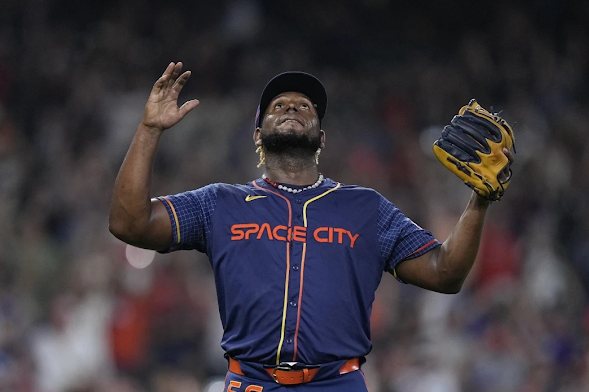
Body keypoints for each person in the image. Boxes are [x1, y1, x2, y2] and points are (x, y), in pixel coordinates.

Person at [109, 62, 514, 391]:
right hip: (250, 381)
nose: (291, 107)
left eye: (304, 106)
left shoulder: (365, 207)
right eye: (279, 104)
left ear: (321, 138)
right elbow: (130, 223)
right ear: (257, 136)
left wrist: (479, 201)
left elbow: (445, 273)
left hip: (337, 383)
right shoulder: (220, 202)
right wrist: (148, 130)